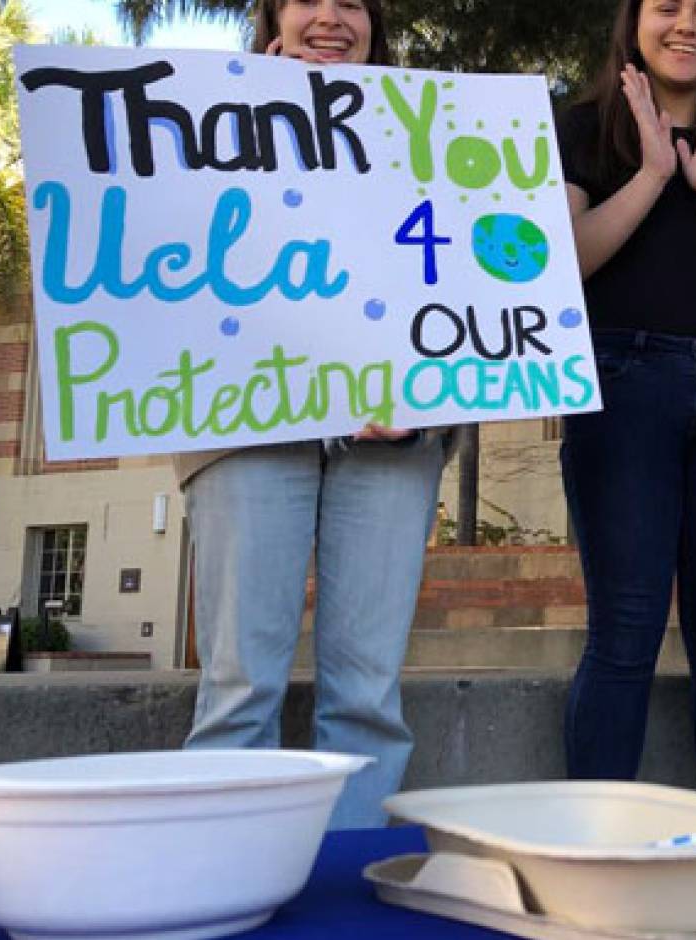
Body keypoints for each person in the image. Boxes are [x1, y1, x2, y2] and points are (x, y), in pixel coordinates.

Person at [177, 0, 447, 830]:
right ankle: (215, 877)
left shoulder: (429, 136)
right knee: (237, 688)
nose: (330, 17)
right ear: (274, 23)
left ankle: (348, 885)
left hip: (393, 445)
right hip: (244, 430)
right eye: (308, 0)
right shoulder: (195, 132)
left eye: (353, 3)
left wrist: (427, 401)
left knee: (368, 693)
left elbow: (466, 278)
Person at [556, 0, 696, 799]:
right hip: (621, 384)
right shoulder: (581, 126)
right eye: (668, 8)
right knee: (625, 630)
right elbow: (561, 263)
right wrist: (653, 172)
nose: (688, 26)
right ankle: (593, 851)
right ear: (633, 22)